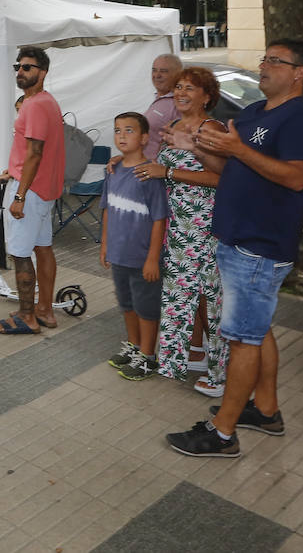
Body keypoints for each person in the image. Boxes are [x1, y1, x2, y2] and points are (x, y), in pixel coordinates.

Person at [166, 39, 303, 459]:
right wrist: (199, 149)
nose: (264, 64)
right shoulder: (253, 113)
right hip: (234, 238)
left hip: (261, 244)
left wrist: (236, 148)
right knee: (257, 329)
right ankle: (266, 410)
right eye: (264, 57)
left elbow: (295, 178)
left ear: (299, 72)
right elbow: (230, 169)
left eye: (276, 60)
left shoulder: (302, 118)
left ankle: (222, 434)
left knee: (242, 339)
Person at [134, 66, 228, 396]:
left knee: (209, 297)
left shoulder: (211, 128)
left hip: (201, 226)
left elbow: (222, 178)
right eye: (178, 87)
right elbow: (155, 169)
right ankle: (183, 357)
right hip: (175, 224)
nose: (181, 93)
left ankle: (221, 372)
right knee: (178, 294)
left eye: (190, 88)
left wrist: (169, 172)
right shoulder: (173, 125)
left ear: (207, 95)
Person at [0, 46, 65, 335]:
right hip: (43, 190)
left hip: (29, 192)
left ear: (42, 72)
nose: (20, 71)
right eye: (18, 66)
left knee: (21, 254)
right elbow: (33, 153)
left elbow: (35, 152)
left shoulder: (33, 105)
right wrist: (15, 170)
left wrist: (19, 194)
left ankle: (26, 316)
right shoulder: (47, 101)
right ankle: (45, 310)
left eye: (28, 67)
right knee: (43, 249)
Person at [100, 113, 170, 381]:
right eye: (118, 130)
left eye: (129, 130)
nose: (122, 135)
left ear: (143, 138)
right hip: (119, 255)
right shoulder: (113, 170)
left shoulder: (149, 175)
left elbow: (159, 218)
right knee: (126, 303)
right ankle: (134, 345)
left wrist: (153, 258)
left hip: (142, 258)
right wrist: (105, 244)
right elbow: (106, 210)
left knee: (146, 308)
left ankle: (148, 356)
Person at [144, 54, 183, 160]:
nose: (157, 75)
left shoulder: (179, 103)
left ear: (177, 75)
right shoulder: (157, 98)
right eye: (154, 70)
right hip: (142, 166)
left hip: (158, 171)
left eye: (164, 71)